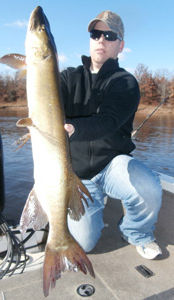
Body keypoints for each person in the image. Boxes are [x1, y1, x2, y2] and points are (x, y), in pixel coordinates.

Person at [61, 10, 162, 259]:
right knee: (83, 245)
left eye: (109, 35)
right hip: (77, 174)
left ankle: (137, 233)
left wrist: (74, 129)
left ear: (120, 45)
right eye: (96, 34)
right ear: (90, 39)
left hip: (111, 166)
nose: (101, 40)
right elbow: (45, 103)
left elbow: (108, 121)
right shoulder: (66, 78)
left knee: (148, 187)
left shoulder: (125, 82)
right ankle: (91, 211)